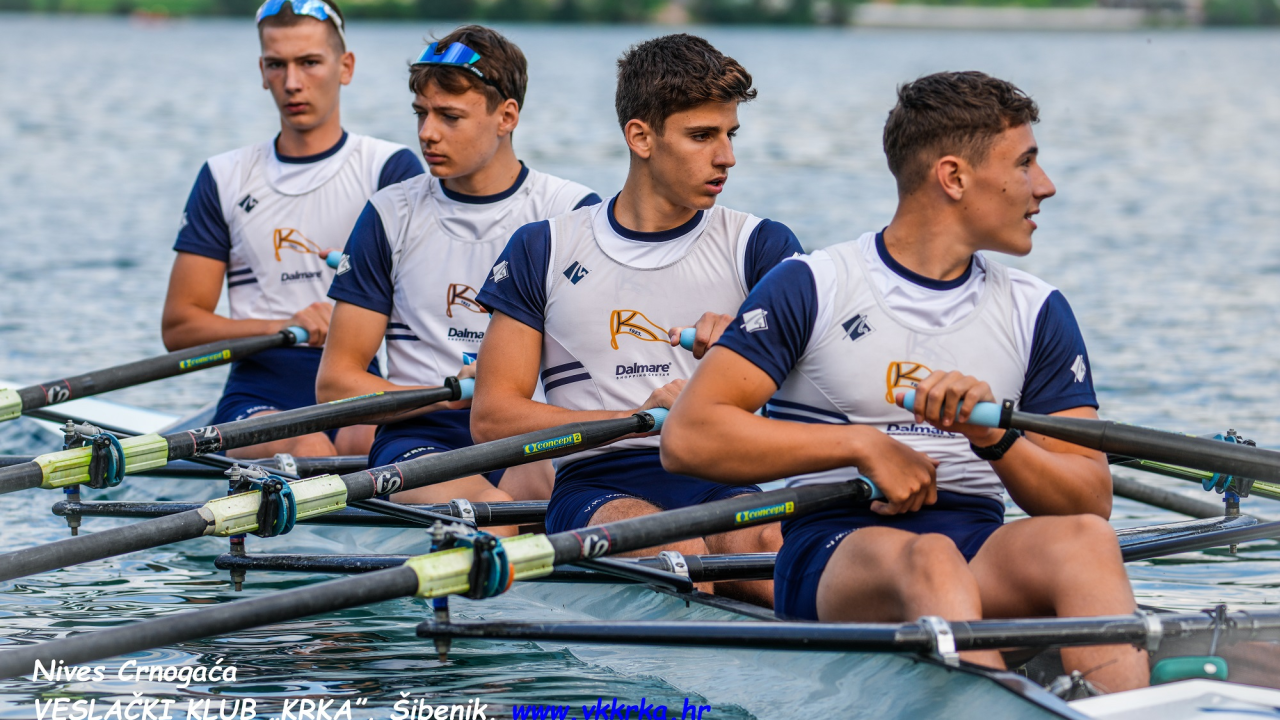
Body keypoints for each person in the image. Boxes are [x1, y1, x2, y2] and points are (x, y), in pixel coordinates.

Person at [661, 71, 1148, 691]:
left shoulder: (1037, 309)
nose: (1045, 187)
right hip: (838, 548)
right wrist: (862, 446)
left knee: (1083, 542)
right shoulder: (813, 285)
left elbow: (1090, 501)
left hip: (978, 542)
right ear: (953, 177)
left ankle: (1122, 705)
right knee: (930, 559)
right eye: (1025, 163)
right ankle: (996, 701)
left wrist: (994, 439)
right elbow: (690, 437)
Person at [470, 34, 800, 604]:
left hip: (724, 479)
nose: (727, 157)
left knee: (775, 551)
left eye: (729, 134)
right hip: (598, 483)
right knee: (678, 558)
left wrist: (749, 362)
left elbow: (818, 404)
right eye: (702, 136)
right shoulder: (544, 248)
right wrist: (638, 416)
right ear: (640, 137)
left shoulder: (762, 247)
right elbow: (493, 417)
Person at [318, 26, 600, 506]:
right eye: (422, 114)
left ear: (506, 115)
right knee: (502, 515)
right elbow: (335, 383)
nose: (427, 133)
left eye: (450, 116)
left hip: (529, 436)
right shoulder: (390, 214)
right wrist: (445, 394)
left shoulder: (571, 211)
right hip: (419, 438)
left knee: (531, 492)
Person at [162, 0, 422, 459]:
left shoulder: (389, 169)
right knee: (310, 444)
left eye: (309, 63)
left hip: (357, 384)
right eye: (277, 65)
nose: (293, 82)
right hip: (259, 392)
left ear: (346, 67)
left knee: (366, 442)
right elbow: (180, 326)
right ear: (262, 72)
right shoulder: (224, 176)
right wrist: (284, 323)